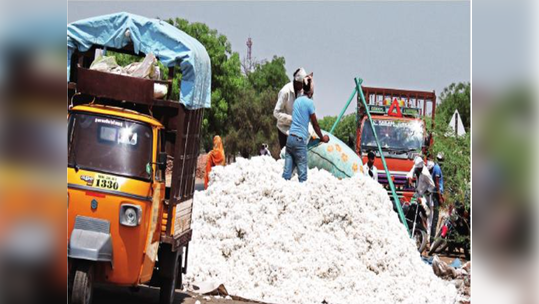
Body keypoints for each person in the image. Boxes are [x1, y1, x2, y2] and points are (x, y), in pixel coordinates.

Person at [282, 75, 329, 182]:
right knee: (302, 176)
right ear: (311, 91)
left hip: (290, 139)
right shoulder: (310, 103)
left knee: (286, 174)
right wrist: (322, 138)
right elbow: (315, 124)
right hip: (299, 141)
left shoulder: (297, 101)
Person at [274, 67, 307, 149]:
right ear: (296, 82)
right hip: (284, 129)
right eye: (301, 84)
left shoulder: (301, 92)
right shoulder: (285, 91)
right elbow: (276, 112)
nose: (302, 86)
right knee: (286, 154)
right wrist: (290, 119)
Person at [428, 153, 445, 244]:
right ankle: (432, 240)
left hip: (436, 194)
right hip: (436, 195)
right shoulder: (437, 168)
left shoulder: (436, 167)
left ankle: (432, 239)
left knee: (435, 218)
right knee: (435, 218)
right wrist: (440, 197)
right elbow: (437, 184)